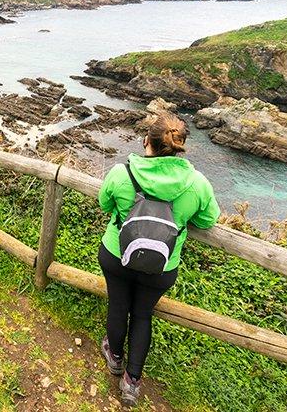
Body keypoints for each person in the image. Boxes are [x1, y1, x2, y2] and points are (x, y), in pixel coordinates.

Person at [98, 112, 220, 407]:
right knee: (142, 314)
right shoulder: (198, 184)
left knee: (118, 304)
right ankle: (131, 382)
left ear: (145, 141)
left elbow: (105, 203)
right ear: (181, 146)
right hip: (162, 265)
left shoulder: (122, 172)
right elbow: (207, 220)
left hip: (118, 254)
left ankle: (114, 357)